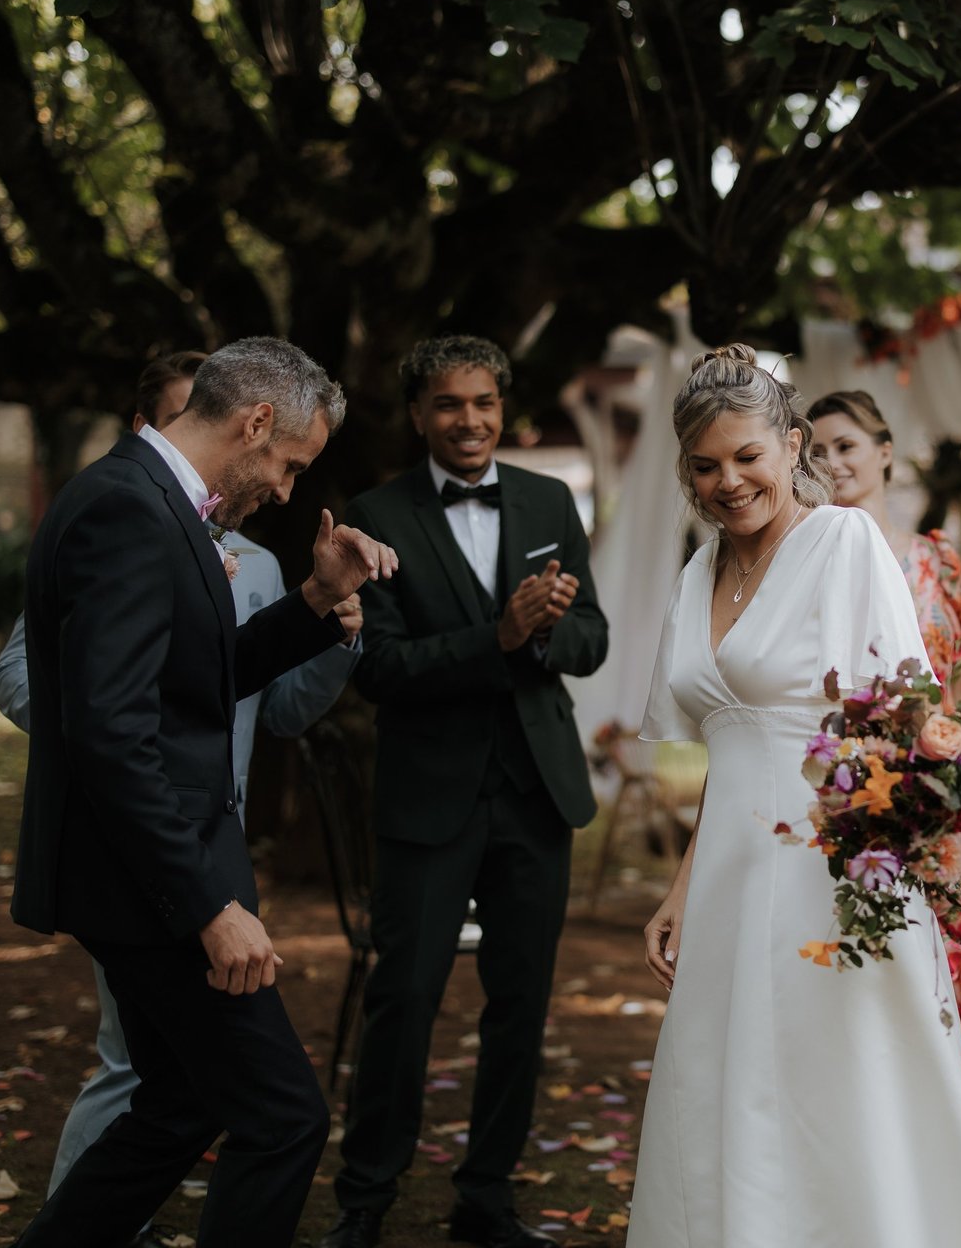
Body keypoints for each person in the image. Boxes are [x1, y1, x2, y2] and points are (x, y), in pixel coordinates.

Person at [9, 336, 398, 1247]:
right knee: (283, 1118)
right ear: (256, 422)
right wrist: (207, 906)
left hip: (138, 878)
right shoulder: (129, 511)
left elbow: (197, 677)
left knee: (181, 1104)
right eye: (293, 464)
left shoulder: (151, 501)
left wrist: (312, 599)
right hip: (152, 886)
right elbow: (111, 736)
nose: (290, 489)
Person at [627, 346, 961, 1248]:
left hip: (828, 869)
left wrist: (914, 828)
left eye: (748, 457)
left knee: (839, 1088)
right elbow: (730, 747)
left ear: (790, 444)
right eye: (706, 465)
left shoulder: (843, 541)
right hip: (724, 875)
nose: (729, 482)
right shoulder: (698, 573)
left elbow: (895, 711)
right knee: (724, 1083)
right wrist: (682, 888)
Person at [320, 336, 608, 1248]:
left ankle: (487, 1195)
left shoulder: (550, 499)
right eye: (449, 404)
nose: (470, 420)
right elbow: (382, 670)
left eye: (484, 402)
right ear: (418, 414)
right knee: (404, 997)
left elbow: (593, 638)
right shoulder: (374, 513)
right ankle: (364, 1200)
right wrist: (500, 634)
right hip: (429, 796)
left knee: (520, 1001)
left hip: (537, 791)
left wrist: (548, 635)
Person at [806, 388, 961, 1137]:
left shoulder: (934, 558)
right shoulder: (814, 562)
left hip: (956, 790)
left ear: (884, 451)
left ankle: (958, 1138)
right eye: (815, 452)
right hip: (868, 793)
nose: (832, 461)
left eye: (846, 444)